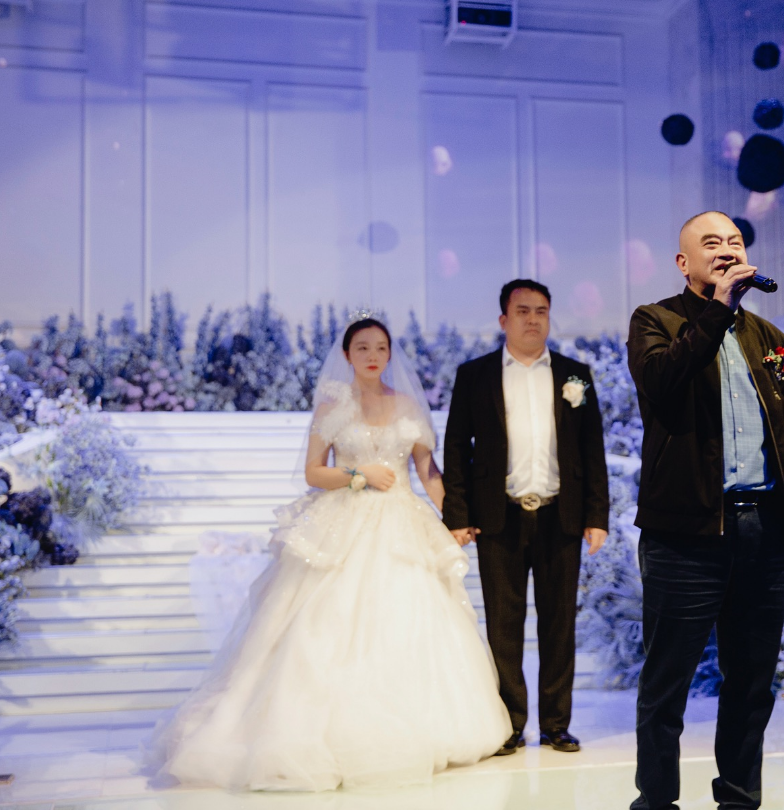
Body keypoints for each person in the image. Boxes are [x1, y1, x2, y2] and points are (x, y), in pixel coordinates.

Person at [146, 316, 511, 791]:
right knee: (320, 624)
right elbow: (314, 472)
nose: (373, 356)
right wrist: (359, 475)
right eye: (363, 348)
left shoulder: (407, 405)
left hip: (402, 522)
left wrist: (454, 517)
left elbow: (428, 471)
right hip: (345, 519)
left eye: (380, 348)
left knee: (409, 618)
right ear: (346, 355)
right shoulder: (333, 406)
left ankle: (419, 728)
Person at [626, 212, 784, 810]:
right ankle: (656, 802)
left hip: (766, 532)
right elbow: (662, 382)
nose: (728, 250)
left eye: (735, 241)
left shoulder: (768, 336)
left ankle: (738, 799)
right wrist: (718, 310)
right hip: (687, 534)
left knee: (752, 684)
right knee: (666, 686)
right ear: (684, 263)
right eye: (712, 243)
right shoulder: (655, 320)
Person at [442, 279, 609, 755]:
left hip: (562, 515)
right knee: (504, 626)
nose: (533, 319)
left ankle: (556, 724)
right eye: (522, 311)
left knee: (560, 625)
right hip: (500, 517)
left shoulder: (576, 375)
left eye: (541, 311)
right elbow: (456, 447)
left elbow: (592, 448)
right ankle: (509, 724)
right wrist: (458, 515)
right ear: (504, 319)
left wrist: (597, 515)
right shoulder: (474, 375)